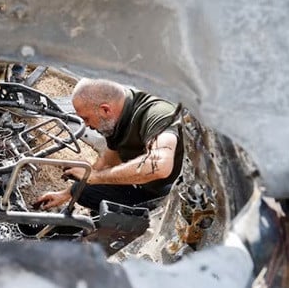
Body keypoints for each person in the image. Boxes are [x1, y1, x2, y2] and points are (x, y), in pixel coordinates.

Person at [34, 78, 183, 213]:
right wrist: (66, 193)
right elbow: (108, 160)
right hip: (144, 186)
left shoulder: (157, 113)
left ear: (105, 109)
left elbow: (159, 166)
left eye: (86, 118)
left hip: (171, 196)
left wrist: (97, 177)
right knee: (83, 191)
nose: (86, 125)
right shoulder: (117, 118)